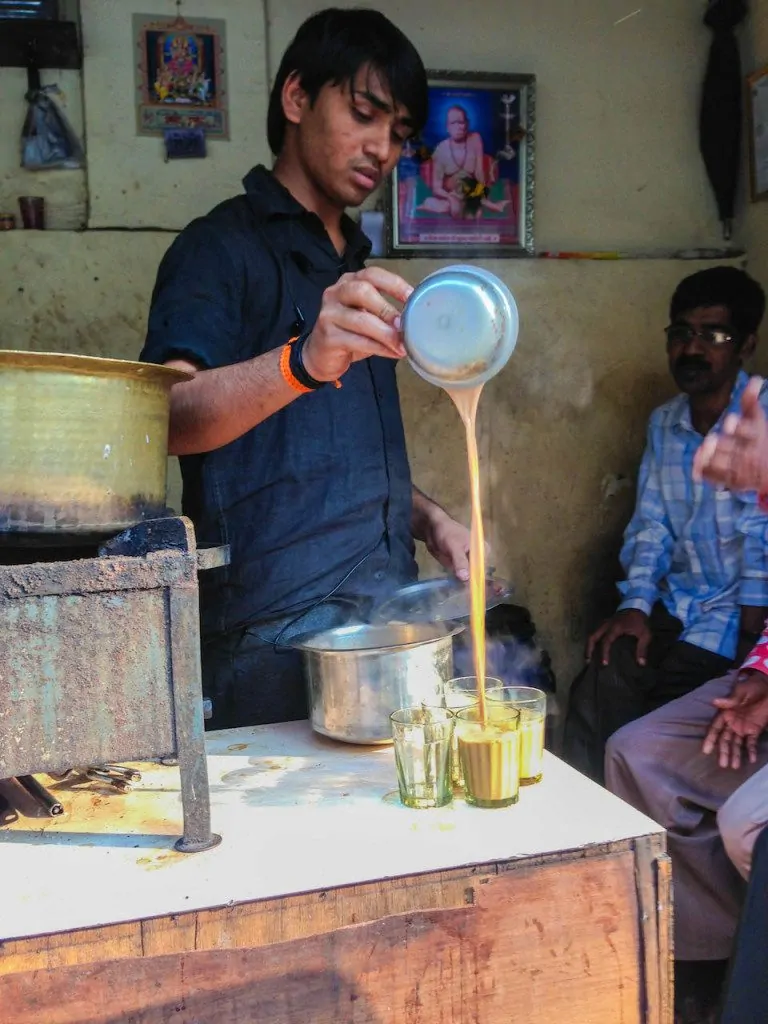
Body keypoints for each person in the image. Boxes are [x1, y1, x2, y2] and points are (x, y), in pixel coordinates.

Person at [139, 8, 473, 730]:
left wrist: (434, 520)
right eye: (364, 113)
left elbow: (331, 453)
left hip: (388, 628)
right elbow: (164, 414)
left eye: (400, 134)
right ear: (296, 98)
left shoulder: (353, 266)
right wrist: (300, 362)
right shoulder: (219, 250)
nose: (382, 148)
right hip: (272, 647)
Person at [562, 267, 768, 783]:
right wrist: (633, 606)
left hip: (737, 624)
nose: (691, 349)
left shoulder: (760, 421)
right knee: (601, 680)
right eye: (681, 334)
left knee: (660, 709)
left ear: (746, 344)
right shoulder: (665, 422)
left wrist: (751, 646)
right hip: (677, 607)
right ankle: (586, 837)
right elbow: (651, 525)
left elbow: (759, 544)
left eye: (713, 336)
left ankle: (646, 845)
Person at [417, 105, 510, 218]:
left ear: (467, 124)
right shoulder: (441, 149)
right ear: (447, 127)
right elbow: (437, 188)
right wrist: (451, 198)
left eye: (461, 122)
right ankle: (430, 203)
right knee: (453, 209)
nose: (459, 127)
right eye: (453, 123)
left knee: (476, 214)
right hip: (451, 193)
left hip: (471, 192)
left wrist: (482, 196)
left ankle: (490, 205)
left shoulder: (475, 139)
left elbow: (479, 173)